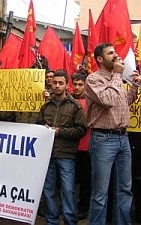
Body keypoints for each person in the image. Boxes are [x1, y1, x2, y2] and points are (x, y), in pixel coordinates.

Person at [85, 43, 140, 225]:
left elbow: (124, 102)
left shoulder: (118, 80)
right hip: (103, 140)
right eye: (111, 53)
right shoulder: (93, 80)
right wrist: (117, 75)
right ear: (100, 59)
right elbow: (107, 100)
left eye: (115, 52)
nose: (116, 56)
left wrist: (135, 87)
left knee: (125, 189)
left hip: (123, 138)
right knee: (101, 193)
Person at [37, 69, 87, 225]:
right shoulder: (45, 106)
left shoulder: (75, 106)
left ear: (67, 85)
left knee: (67, 190)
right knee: (48, 189)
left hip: (66, 154)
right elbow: (38, 126)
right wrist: (42, 129)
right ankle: (51, 220)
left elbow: (81, 130)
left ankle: (69, 221)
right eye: (54, 83)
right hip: (48, 154)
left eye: (61, 83)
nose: (57, 86)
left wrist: (60, 131)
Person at [71, 72, 91, 220]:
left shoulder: (92, 101)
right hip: (70, 147)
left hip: (87, 146)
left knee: (85, 180)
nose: (77, 87)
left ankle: (83, 208)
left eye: (80, 85)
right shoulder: (68, 101)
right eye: (75, 84)